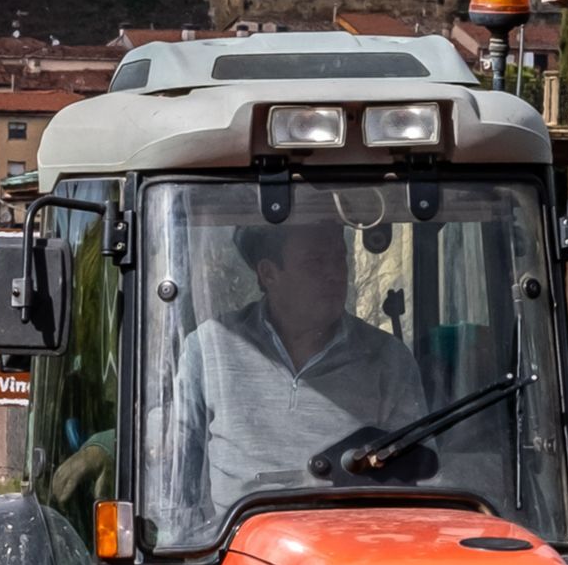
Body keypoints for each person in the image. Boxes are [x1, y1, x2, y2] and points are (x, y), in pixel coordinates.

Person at [166, 218, 426, 524]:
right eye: (315, 261)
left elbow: (422, 478)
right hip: (233, 552)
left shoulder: (388, 358)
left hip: (350, 549)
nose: (335, 274)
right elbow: (173, 472)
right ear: (269, 273)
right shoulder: (211, 346)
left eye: (339, 259)